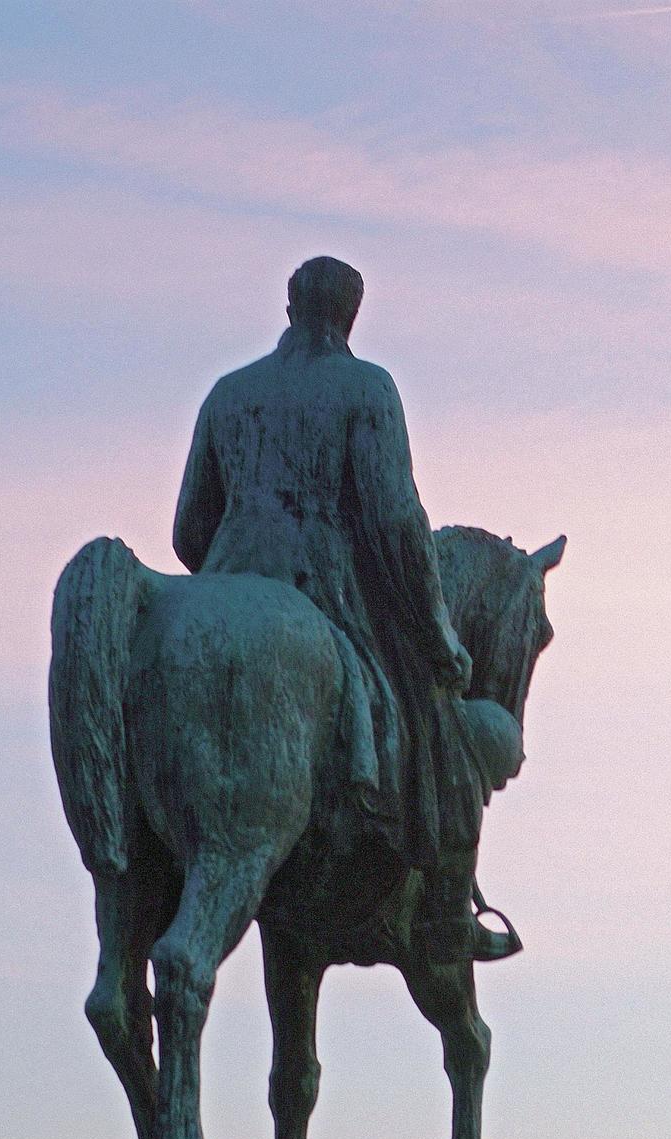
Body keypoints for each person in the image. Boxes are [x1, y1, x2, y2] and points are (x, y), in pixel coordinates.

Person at [173, 256, 513, 960]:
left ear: (290, 305)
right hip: (331, 593)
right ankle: (449, 917)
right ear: (352, 315)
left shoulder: (229, 393)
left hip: (223, 582)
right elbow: (396, 520)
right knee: (438, 722)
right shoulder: (367, 388)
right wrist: (439, 635)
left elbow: (187, 531)